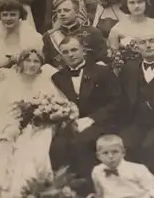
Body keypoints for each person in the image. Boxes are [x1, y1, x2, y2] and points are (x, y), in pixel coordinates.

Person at [0, 48, 60, 198]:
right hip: (7, 125)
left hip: (37, 127)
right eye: (28, 60)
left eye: (36, 61)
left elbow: (52, 109)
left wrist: (38, 121)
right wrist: (10, 127)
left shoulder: (46, 84)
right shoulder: (6, 85)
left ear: (41, 65)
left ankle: (31, 189)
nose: (32, 65)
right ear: (21, 63)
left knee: (37, 147)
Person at [50, 37, 121, 188]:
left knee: (79, 143)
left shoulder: (102, 71)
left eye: (74, 50)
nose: (71, 54)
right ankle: (65, 188)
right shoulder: (57, 78)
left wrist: (91, 119)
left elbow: (117, 102)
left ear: (83, 50)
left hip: (101, 123)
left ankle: (91, 187)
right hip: (71, 123)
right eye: (65, 52)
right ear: (61, 56)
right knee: (57, 145)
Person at [118, 33, 154, 182]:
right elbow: (122, 97)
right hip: (137, 122)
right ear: (137, 47)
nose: (148, 45)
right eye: (143, 42)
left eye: (152, 41)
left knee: (151, 146)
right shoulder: (130, 68)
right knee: (125, 144)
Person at [0, 0, 43, 97]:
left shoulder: (32, 36)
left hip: (26, 83)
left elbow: (39, 63)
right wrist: (1, 72)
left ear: (20, 16)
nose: (8, 18)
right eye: (4, 15)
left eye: (13, 15)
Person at [91, 134, 154, 198]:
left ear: (123, 152)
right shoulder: (97, 171)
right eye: (105, 153)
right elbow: (100, 194)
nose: (110, 156)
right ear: (98, 156)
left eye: (115, 152)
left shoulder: (137, 169)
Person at [43, 0, 107, 69]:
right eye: (59, 11)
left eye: (66, 10)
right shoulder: (49, 37)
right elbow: (46, 65)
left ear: (77, 12)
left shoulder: (93, 33)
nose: (62, 14)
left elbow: (103, 60)